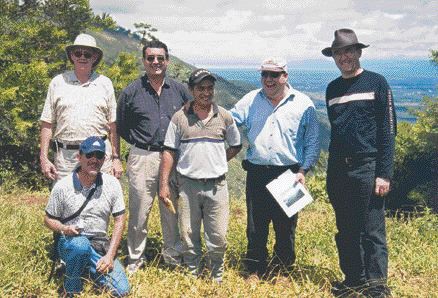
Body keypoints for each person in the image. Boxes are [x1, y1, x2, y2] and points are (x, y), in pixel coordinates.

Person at [322, 28, 396, 297]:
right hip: (339, 169)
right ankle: (353, 280)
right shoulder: (332, 89)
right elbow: (337, 131)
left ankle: (377, 288)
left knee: (372, 230)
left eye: (349, 51)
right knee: (346, 229)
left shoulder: (377, 82)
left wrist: (384, 174)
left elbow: (388, 132)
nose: (344, 57)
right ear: (334, 57)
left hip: (368, 166)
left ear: (359, 52)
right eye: (339, 53)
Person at [230, 58, 320, 278]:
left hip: (289, 172)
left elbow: (312, 141)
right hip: (257, 171)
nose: (268, 80)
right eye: (264, 75)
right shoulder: (251, 99)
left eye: (274, 75)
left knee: (286, 227)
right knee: (255, 226)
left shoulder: (303, 103)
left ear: (285, 76)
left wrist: (303, 171)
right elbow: (229, 120)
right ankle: (254, 269)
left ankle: (282, 272)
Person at [159, 69, 241, 283]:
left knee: (218, 235)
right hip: (188, 186)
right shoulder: (180, 118)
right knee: (188, 233)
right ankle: (193, 272)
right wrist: (164, 184)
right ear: (191, 90)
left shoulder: (224, 116)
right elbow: (169, 151)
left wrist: (217, 161)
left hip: (217, 186)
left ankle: (217, 275)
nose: (206, 92)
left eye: (209, 88)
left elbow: (235, 144)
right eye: (200, 88)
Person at [117, 40, 191, 273]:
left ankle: (172, 256)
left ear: (167, 60)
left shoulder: (179, 90)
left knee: (171, 209)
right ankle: (135, 258)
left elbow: (191, 121)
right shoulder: (131, 91)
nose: (156, 62)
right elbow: (121, 126)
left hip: (173, 156)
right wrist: (129, 150)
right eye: (150, 58)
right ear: (144, 61)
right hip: (143, 156)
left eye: (160, 58)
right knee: (140, 209)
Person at [44, 136, 129, 296]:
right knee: (80, 246)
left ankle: (85, 269)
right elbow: (48, 219)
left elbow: (119, 220)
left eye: (99, 156)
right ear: (79, 157)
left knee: (121, 290)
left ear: (105, 159)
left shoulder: (112, 184)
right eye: (89, 155)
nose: (94, 160)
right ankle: (71, 288)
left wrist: (110, 255)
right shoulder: (62, 186)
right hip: (71, 241)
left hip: (99, 244)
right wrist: (64, 228)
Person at [40, 33, 122, 182]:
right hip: (66, 158)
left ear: (95, 57)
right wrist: (44, 158)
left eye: (87, 54)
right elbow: (47, 123)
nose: (82, 57)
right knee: (65, 201)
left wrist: (116, 158)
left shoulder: (105, 84)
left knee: (101, 201)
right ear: (72, 55)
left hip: (99, 155)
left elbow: (113, 125)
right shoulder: (57, 83)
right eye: (78, 53)